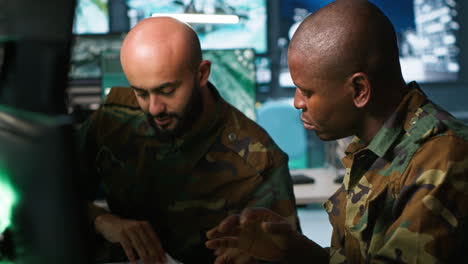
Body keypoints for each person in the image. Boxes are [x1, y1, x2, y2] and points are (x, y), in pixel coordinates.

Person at [205, 0, 468, 263]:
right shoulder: (374, 149)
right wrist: (296, 252)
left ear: (359, 90)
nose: (297, 102)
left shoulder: (444, 158)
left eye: (307, 92)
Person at [78, 17, 299, 264]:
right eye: (140, 93)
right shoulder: (115, 118)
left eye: (167, 91)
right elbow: (45, 187)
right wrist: (101, 220)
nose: (154, 108)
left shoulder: (258, 162)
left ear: (202, 73)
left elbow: (288, 253)